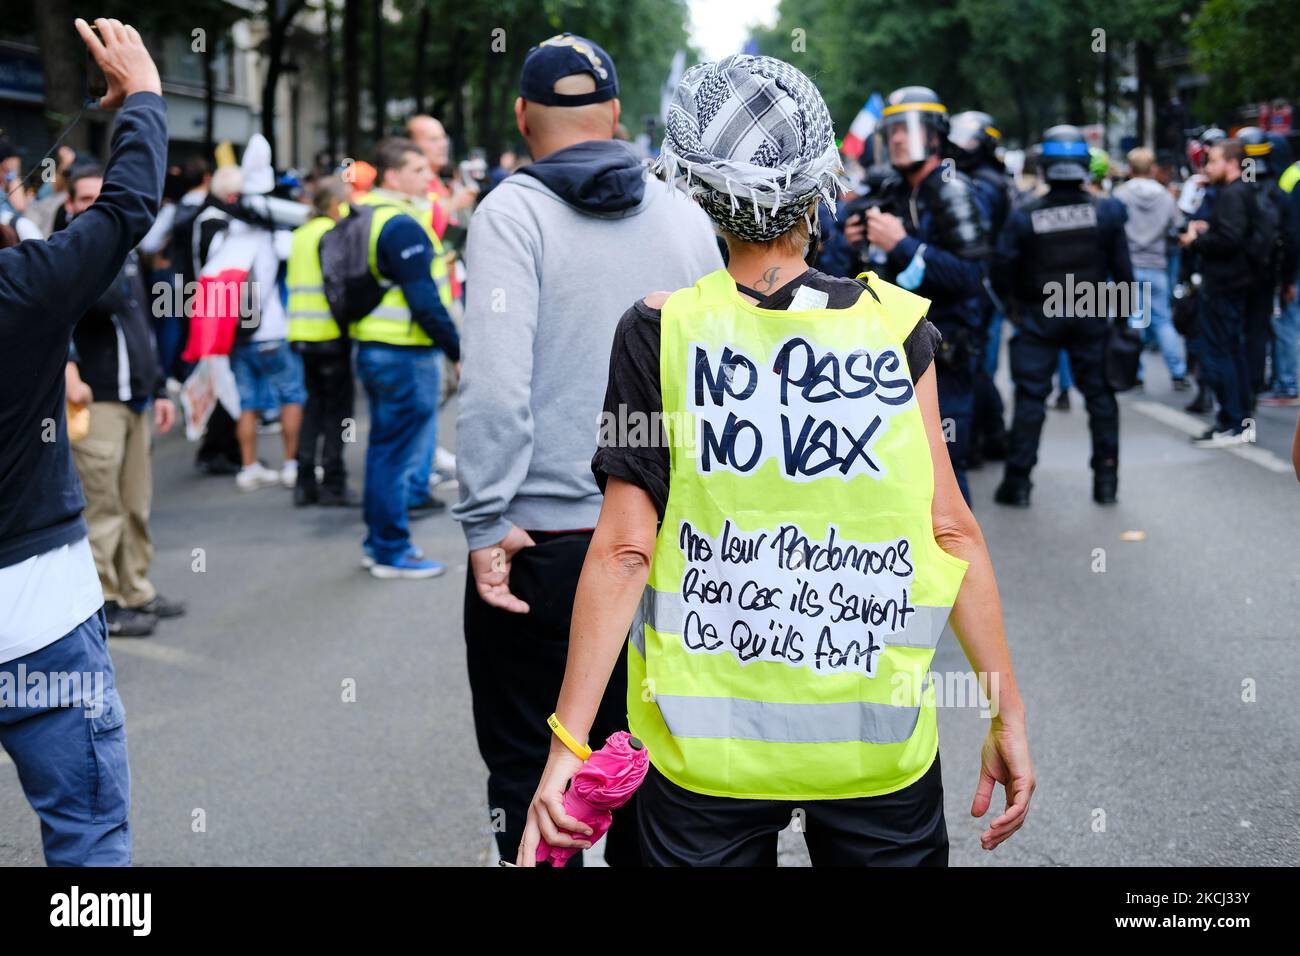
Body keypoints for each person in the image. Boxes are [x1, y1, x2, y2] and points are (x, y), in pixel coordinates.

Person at [518, 54, 1033, 867]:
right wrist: (1006, 713)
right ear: (819, 181)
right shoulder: (897, 331)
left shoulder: (658, 332)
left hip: (702, 759)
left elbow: (623, 551)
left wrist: (566, 743)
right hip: (875, 748)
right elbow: (953, 532)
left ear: (697, 188)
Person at [453, 33, 722, 866]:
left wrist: (485, 520)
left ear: (524, 118)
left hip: (549, 546)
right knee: (654, 776)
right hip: (670, 544)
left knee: (531, 776)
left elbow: (496, 387)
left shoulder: (511, 213)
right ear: (613, 115)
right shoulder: (685, 214)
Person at [0, 16, 164, 866]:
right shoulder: (21, 288)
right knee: (89, 838)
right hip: (39, 618)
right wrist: (141, 99)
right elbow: (129, 209)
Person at [844, 86, 990, 505]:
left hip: (947, 354)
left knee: (946, 473)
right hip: (896, 353)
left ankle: (962, 566)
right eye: (892, 130)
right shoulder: (894, 189)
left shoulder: (953, 190)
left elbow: (971, 275)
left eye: (909, 129)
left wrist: (904, 246)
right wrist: (857, 241)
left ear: (936, 136)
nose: (898, 139)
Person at [65, 164, 185, 638]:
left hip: (135, 398)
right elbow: (104, 303)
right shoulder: (70, 256)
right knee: (102, 508)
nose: (94, 208)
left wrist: (156, 388)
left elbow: (141, 328)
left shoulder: (123, 248)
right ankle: (106, 603)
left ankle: (136, 590)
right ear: (69, 206)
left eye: (103, 198)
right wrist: (106, 243)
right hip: (98, 402)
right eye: (84, 200)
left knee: (136, 503)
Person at [991, 125, 1134, 506]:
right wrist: (1122, 323)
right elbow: (1124, 271)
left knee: (1030, 401)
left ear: (1045, 165)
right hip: (1091, 313)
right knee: (1101, 400)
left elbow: (1002, 270)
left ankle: (1018, 484)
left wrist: (1016, 309)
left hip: (1039, 317)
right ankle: (1106, 484)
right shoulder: (1108, 211)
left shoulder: (1025, 216)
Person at [352, 137, 461, 578]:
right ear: (392, 175)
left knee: (384, 450)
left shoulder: (365, 214)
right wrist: (457, 350)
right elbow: (424, 300)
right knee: (396, 455)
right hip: (405, 352)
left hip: (376, 347)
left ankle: (378, 543)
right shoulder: (400, 224)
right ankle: (392, 551)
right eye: (417, 170)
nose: (426, 178)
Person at [221, 137, 307, 492]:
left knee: (247, 402)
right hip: (273, 329)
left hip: (237, 333)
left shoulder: (226, 232)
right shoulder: (276, 235)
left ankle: (248, 466)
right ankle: (291, 464)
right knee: (291, 395)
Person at [286, 175, 358, 506]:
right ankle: (333, 481)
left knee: (313, 406)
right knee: (337, 411)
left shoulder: (300, 234)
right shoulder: (332, 233)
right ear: (333, 204)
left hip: (301, 333)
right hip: (329, 334)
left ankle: (304, 480)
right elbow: (335, 284)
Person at [1182, 139, 1257, 447]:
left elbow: (1229, 239)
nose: (1207, 167)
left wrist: (1195, 241)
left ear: (1231, 164)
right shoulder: (1240, 193)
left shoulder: (1231, 195)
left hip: (1224, 284)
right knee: (1232, 351)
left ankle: (1231, 421)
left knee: (1221, 352)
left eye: (1213, 161)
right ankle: (1237, 419)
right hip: (1234, 283)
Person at [949, 110, 1014, 467]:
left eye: (971, 138)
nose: (962, 144)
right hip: (987, 281)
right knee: (977, 363)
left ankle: (978, 440)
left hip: (983, 284)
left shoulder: (985, 183)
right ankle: (993, 436)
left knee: (974, 363)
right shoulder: (981, 177)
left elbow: (974, 238)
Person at [1113, 147, 1188, 388]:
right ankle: (1178, 372)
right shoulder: (1165, 196)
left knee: (1134, 320)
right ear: (1152, 167)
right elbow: (1177, 227)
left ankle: (1136, 372)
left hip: (1128, 265)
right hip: (1156, 265)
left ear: (1130, 168)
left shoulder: (1120, 195)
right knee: (1163, 321)